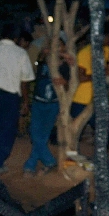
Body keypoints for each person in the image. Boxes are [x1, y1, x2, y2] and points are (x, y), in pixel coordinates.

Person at [0, 25, 35, 172]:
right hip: (11, 96)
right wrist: (26, 101)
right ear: (16, 38)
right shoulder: (20, 53)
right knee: (7, 128)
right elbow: (25, 80)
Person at [25, 41, 66, 173]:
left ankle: (30, 165)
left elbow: (70, 85)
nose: (55, 50)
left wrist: (64, 82)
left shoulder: (65, 67)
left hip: (53, 104)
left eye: (59, 47)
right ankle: (49, 161)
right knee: (35, 134)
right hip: (38, 102)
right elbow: (40, 56)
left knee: (42, 136)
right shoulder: (42, 63)